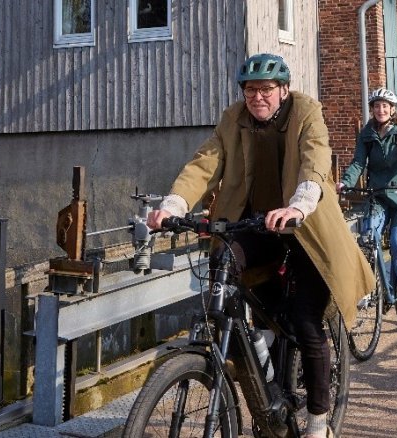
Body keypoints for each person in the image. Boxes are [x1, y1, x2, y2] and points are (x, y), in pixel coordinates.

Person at [147, 53, 374, 438]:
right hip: (256, 223)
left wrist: (300, 203)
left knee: (305, 321)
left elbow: (315, 158)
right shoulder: (233, 118)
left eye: (266, 89)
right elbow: (205, 164)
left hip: (306, 226)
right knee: (226, 263)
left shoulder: (306, 112)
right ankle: (261, 357)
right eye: (251, 89)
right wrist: (174, 204)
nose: (258, 97)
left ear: (283, 91)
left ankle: (319, 422)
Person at [337, 88, 397, 310]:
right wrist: (346, 181)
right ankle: (367, 287)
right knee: (367, 236)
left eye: (385, 106)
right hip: (378, 196)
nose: (381, 110)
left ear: (393, 109)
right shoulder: (367, 134)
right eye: (377, 106)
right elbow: (358, 162)